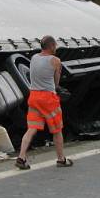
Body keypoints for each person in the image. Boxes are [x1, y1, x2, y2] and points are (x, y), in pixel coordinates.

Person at [15, 35, 73, 170]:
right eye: (55, 46)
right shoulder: (55, 60)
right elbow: (56, 83)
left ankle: (21, 157)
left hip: (34, 97)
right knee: (57, 130)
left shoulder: (34, 58)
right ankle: (61, 159)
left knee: (32, 128)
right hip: (48, 98)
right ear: (52, 46)